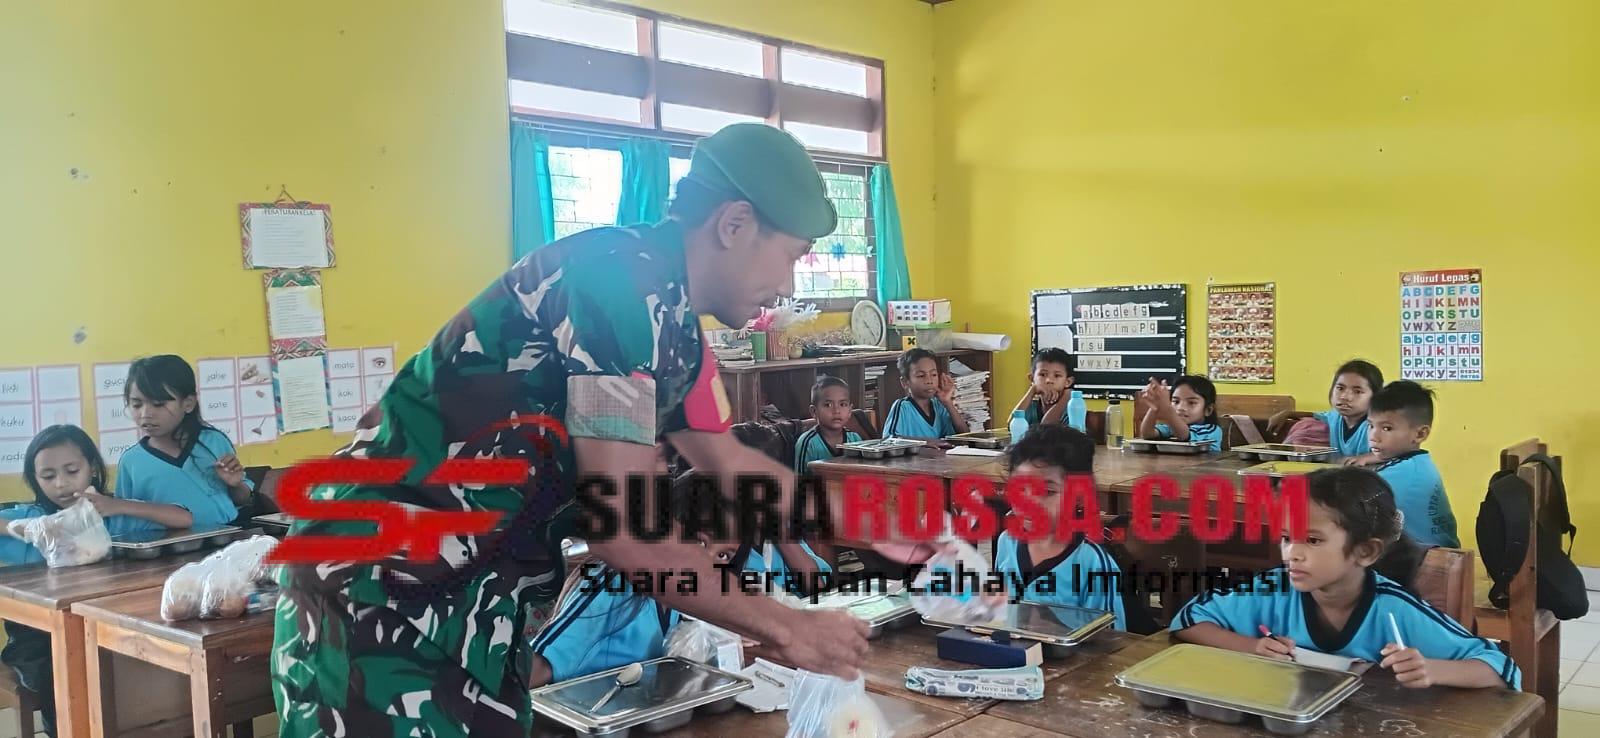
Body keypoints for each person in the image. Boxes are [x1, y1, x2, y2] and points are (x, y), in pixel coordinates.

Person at [271, 123, 938, 737]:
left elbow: (727, 461)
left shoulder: (672, 324)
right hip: (380, 586)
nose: (787, 285)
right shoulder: (620, 288)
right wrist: (788, 626)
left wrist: (865, 520)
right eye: (791, 256)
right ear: (734, 224)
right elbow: (625, 533)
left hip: (469, 596)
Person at [1172, 467, 1516, 689]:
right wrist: (1253, 647)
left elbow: (1501, 668)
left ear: (1365, 552)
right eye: (1287, 537)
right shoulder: (1274, 588)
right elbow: (1187, 620)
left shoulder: (1395, 610)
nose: (1292, 553)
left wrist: (1431, 669)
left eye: (1313, 540)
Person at [992, 425, 1130, 629]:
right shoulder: (1007, 541)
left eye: (1047, 491)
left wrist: (1056, 630)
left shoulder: (1092, 561)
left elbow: (1111, 638)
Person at [113, 355, 252, 534]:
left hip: (226, 538)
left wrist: (235, 485)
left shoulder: (213, 442)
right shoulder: (131, 462)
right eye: (137, 404)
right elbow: (126, 519)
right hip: (168, 546)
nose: (145, 414)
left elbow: (243, 499)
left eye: (158, 404)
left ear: (188, 404)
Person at [1368, 380, 1458, 547]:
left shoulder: (1404, 473)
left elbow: (1350, 506)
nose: (1373, 436)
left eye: (1387, 428)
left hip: (1428, 560)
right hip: (1432, 553)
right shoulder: (1418, 462)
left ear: (1420, 434)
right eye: (1371, 425)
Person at [882, 348, 968, 439]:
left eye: (933, 374)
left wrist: (947, 402)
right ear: (905, 382)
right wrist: (927, 442)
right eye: (921, 376)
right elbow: (890, 440)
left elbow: (965, 436)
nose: (929, 381)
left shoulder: (939, 406)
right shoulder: (902, 407)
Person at [1317, 359, 1384, 461]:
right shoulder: (1332, 418)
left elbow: (1397, 452)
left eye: (1357, 391)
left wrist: (1365, 458)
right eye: (1340, 388)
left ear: (1375, 396)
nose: (1344, 397)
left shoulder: (1381, 425)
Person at [793, 376, 862, 472]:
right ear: (814, 411)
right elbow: (802, 479)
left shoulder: (855, 439)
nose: (836, 411)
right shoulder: (808, 443)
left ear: (850, 411)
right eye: (828, 405)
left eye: (842, 404)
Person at [1136, 375, 1222, 450]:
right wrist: (1155, 407)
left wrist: (1168, 410)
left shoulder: (1212, 430)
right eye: (1176, 402)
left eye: (1191, 403)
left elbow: (1183, 435)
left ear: (1208, 410)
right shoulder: (1170, 428)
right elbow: (1147, 434)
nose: (1181, 408)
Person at [1010, 348, 1075, 428]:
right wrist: (1032, 391)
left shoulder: (1073, 408)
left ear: (1068, 382)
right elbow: (1012, 426)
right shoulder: (1030, 406)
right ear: (1032, 378)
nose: (1049, 380)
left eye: (1057, 375)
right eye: (1043, 375)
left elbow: (1046, 428)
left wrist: (1066, 397)